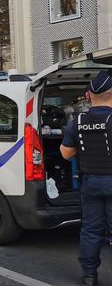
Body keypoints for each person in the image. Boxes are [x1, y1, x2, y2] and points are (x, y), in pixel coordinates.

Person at [61, 69, 112, 286]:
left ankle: (90, 276)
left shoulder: (78, 120)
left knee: (91, 230)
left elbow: (65, 153)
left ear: (90, 95)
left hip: (91, 182)